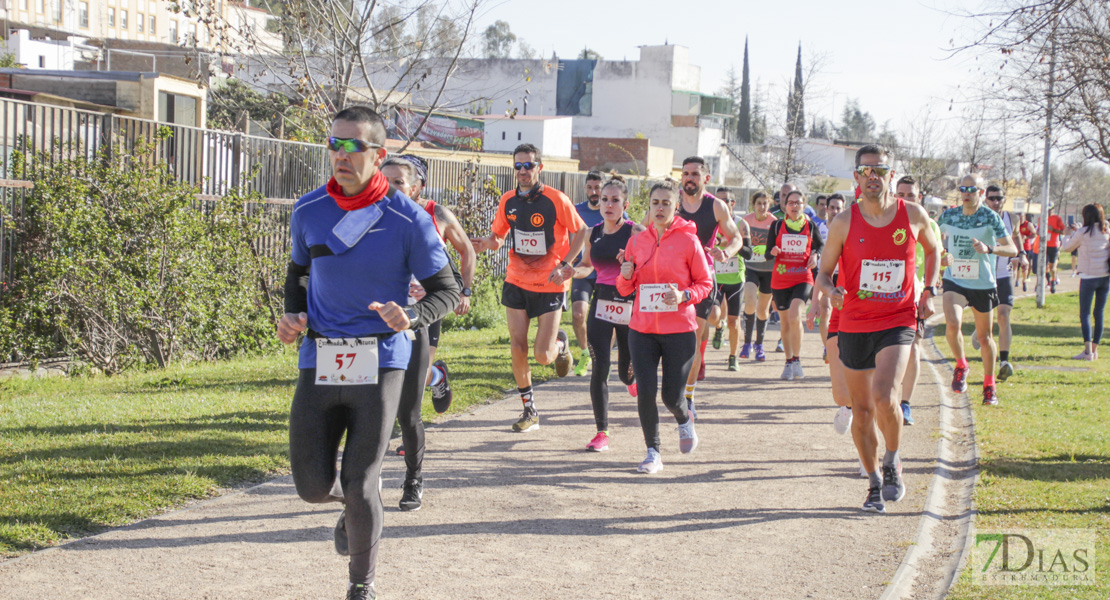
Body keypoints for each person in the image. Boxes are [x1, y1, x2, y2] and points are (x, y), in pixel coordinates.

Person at [277, 106, 460, 600]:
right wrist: (292, 316)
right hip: (320, 357)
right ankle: (355, 508)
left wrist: (413, 315)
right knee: (312, 486)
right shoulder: (309, 209)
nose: (340, 153)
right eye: (334, 143)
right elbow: (297, 275)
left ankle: (362, 584)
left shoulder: (407, 218)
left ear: (378, 156)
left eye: (352, 145)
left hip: (381, 359)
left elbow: (448, 289)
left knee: (360, 481)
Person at [816, 144, 941, 514]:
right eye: (866, 171)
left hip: (897, 318)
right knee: (863, 411)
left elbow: (933, 250)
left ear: (890, 173)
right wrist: (831, 291)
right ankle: (873, 482)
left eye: (880, 170)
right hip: (855, 321)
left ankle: (892, 460)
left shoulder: (912, 215)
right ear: (857, 176)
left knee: (886, 397)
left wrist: (929, 290)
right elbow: (822, 274)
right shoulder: (843, 222)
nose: (873, 177)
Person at [378, 154, 475, 510]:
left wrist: (463, 290)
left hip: (419, 317)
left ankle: (413, 480)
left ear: (417, 188)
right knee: (372, 408)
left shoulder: (433, 216)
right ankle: (363, 483)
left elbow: (465, 251)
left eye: (398, 182)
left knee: (408, 411)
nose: (387, 188)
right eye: (382, 179)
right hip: (374, 323)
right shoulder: (364, 217)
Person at [471, 143, 588, 432]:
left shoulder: (555, 199)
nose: (523, 171)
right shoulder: (508, 200)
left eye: (528, 165)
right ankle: (529, 410)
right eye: (518, 166)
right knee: (517, 346)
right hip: (516, 281)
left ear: (539, 168)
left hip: (550, 284)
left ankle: (560, 345)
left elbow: (582, 230)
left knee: (542, 356)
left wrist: (564, 263)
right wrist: (486, 243)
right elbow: (498, 236)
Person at [617, 178, 713, 474]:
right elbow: (624, 290)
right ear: (649, 206)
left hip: (679, 330)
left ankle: (684, 420)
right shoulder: (636, 241)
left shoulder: (688, 241)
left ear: (677, 206)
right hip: (642, 329)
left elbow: (705, 283)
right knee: (645, 390)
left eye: (666, 203)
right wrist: (625, 274)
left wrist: (684, 295)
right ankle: (652, 452)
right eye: (655, 203)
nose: (660, 208)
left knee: (671, 396)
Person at [669, 157, 744, 418]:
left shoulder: (716, 206)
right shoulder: (671, 201)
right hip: (670, 279)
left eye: (695, 174)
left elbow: (736, 237)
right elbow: (645, 228)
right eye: (685, 173)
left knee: (692, 338)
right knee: (670, 337)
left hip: (701, 280)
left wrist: (726, 252)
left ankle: (687, 396)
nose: (689, 178)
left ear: (706, 179)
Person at [572, 175, 642, 451]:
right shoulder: (593, 233)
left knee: (626, 373)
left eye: (615, 200)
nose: (608, 204)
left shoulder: (636, 232)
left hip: (628, 304)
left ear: (625, 204)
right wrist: (571, 271)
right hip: (601, 304)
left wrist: (632, 269)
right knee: (600, 366)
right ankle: (601, 432)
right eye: (604, 199)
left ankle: (632, 381)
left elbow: (651, 265)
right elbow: (587, 266)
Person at [937, 174, 1019, 406]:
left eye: (972, 189)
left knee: (984, 338)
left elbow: (1012, 248)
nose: (967, 193)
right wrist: (941, 257)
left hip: (983, 283)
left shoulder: (990, 217)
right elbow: (931, 241)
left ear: (981, 193)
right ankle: (961, 364)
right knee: (953, 324)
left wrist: (989, 248)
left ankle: (989, 385)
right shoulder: (949, 215)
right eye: (963, 189)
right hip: (955, 280)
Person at [890, 176, 943, 426]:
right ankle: (882, 400)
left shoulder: (928, 223)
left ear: (918, 198)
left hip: (914, 296)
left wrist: (928, 293)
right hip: (884, 295)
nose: (905, 200)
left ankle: (906, 404)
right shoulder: (883, 219)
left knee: (913, 348)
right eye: (900, 194)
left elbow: (936, 256)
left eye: (910, 195)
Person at [767, 189, 823, 380]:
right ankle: (789, 361)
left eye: (798, 203)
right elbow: (767, 253)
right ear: (785, 206)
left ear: (804, 204)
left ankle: (797, 360)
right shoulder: (776, 226)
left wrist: (815, 254)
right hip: (781, 278)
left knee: (794, 315)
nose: (794, 206)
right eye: (791, 203)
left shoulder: (810, 225)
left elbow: (820, 245)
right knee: (785, 322)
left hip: (803, 276)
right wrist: (773, 251)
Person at [980, 184, 1027, 382]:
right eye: (992, 198)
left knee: (1004, 314)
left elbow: (1016, 237)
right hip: (983, 273)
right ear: (985, 199)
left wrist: (1022, 254)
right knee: (986, 316)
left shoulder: (1012, 218)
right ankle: (979, 331)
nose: (996, 202)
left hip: (1004, 272)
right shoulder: (978, 217)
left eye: (999, 198)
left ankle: (1004, 362)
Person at [1060, 203, 1110, 360]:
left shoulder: (1082, 232)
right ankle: (1094, 350)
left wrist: (1066, 234)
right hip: (1105, 275)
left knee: (1085, 313)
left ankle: (1087, 351)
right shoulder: (1106, 230)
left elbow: (1067, 248)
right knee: (1099, 313)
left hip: (1088, 276)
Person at [711, 188, 752, 371]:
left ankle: (733, 356)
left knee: (735, 322)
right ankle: (719, 328)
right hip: (715, 277)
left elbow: (749, 253)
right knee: (713, 316)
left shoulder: (741, 224)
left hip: (736, 278)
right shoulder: (710, 223)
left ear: (732, 203)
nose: (721, 204)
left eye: (725, 200)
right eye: (717, 200)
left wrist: (728, 245)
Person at [570, 171, 606, 377]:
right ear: (585, 188)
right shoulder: (576, 211)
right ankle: (585, 353)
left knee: (602, 320)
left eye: (598, 187)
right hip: (582, 270)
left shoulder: (613, 209)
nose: (594, 192)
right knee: (578, 314)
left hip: (605, 274)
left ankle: (602, 359)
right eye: (590, 187)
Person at [807, 193, 845, 363]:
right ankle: (827, 346)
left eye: (838, 208)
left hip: (842, 276)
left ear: (843, 209)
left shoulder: (847, 229)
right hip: (823, 275)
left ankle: (839, 345)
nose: (835, 211)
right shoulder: (819, 228)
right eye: (832, 207)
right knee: (825, 310)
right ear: (826, 208)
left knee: (842, 314)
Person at [740, 191, 778, 362]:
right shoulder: (746, 221)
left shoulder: (775, 223)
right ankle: (746, 343)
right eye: (759, 203)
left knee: (763, 310)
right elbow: (738, 241)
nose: (762, 207)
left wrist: (770, 251)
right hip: (751, 268)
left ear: (769, 205)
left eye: (765, 203)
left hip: (768, 271)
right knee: (750, 302)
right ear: (753, 205)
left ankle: (759, 344)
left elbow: (779, 246)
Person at [1046, 205, 1066, 293]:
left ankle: (1053, 281)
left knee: (1052, 267)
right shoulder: (1041, 218)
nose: (1048, 211)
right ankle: (1049, 281)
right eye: (1047, 209)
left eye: (1050, 209)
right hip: (1043, 245)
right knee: (1043, 266)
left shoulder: (1057, 218)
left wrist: (1053, 230)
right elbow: (1038, 230)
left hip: (1054, 245)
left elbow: (1064, 231)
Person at [1018, 213, 1039, 292]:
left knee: (1025, 265)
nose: (1020, 220)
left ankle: (1024, 280)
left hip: (1026, 247)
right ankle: (1015, 281)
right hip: (1016, 247)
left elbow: (1034, 234)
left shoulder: (1028, 225)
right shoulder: (1015, 224)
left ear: (1024, 217)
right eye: (1018, 218)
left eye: (1021, 218)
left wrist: (1026, 237)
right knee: (1014, 265)